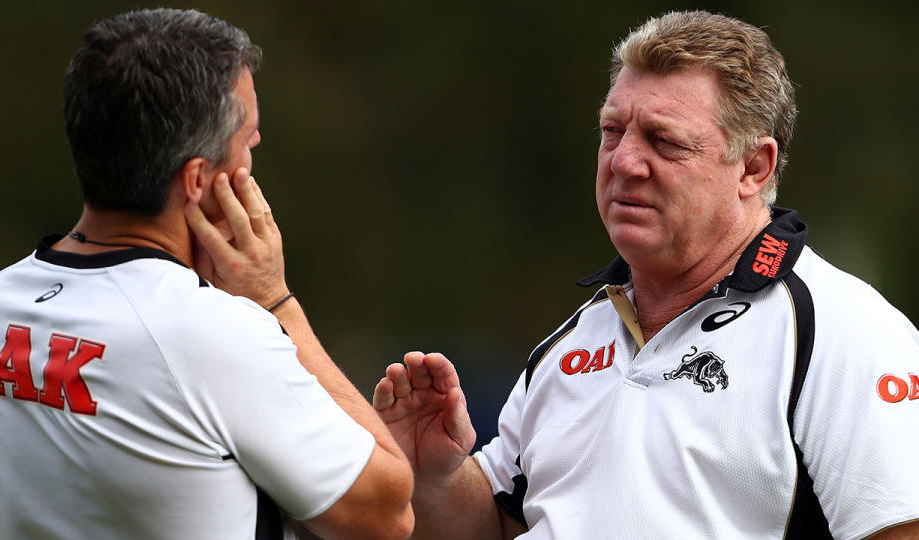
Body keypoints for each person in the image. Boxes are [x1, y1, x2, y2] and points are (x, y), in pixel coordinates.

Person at [372, 10, 919, 540]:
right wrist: (436, 476)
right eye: (613, 131)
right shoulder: (572, 341)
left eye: (665, 141)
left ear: (754, 168)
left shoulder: (847, 330)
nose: (624, 161)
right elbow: (497, 528)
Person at [0, 8, 413, 540]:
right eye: (248, 137)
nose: (257, 145)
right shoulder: (210, 332)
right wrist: (274, 301)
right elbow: (389, 514)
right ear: (198, 180)